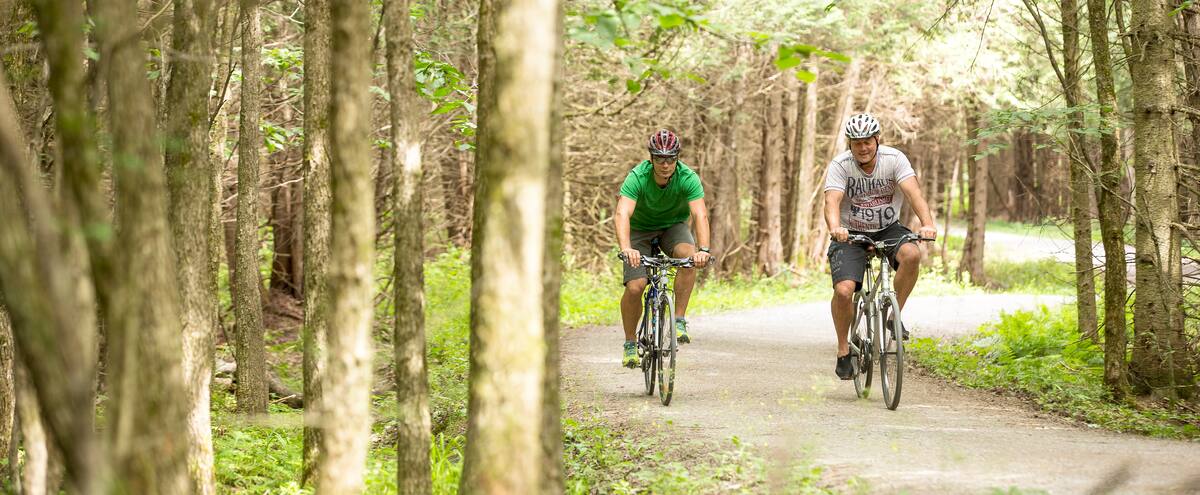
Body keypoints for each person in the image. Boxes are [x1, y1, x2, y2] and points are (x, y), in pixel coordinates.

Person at [823, 113, 937, 380]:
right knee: (843, 290)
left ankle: (894, 316)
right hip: (850, 233)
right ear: (850, 144)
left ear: (877, 140)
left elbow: (914, 194)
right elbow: (832, 201)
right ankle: (843, 350)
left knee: (912, 254)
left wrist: (927, 223)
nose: (863, 148)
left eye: (868, 142)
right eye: (857, 143)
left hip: (887, 228)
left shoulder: (894, 159)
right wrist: (835, 228)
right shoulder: (841, 165)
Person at [615, 129, 711, 368]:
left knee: (688, 258)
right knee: (636, 286)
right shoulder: (637, 177)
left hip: (672, 227)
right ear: (651, 158)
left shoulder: (687, 177)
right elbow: (622, 213)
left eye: (671, 159)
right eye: (660, 159)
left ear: (677, 158)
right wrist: (626, 248)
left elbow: (700, 214)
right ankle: (630, 343)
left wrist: (704, 250)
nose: (665, 164)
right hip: (640, 230)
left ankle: (679, 319)